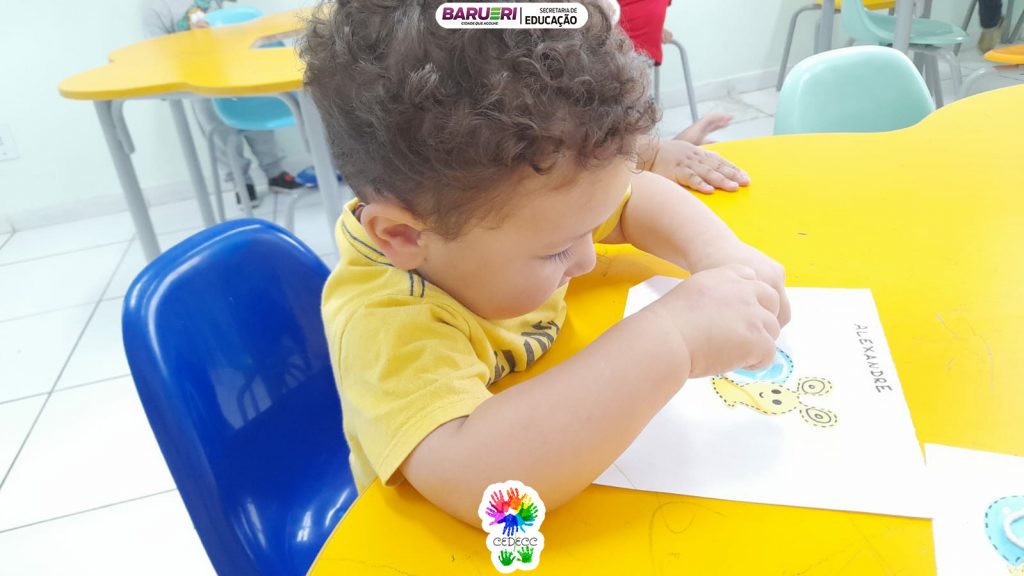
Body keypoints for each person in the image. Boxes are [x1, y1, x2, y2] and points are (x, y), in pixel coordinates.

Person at [301, 0, 789, 525]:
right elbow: (484, 484)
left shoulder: (502, 214)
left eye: (586, 231)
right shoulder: (385, 323)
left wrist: (721, 257)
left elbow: (634, 198)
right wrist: (675, 338)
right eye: (557, 250)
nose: (587, 259)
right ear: (402, 235)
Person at [140, 0, 304, 207]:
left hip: (234, 66)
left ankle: (275, 172)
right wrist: (188, 39)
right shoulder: (154, 7)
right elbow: (157, 50)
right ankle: (240, 183)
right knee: (219, 133)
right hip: (197, 79)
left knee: (259, 123)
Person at [615, 0, 749, 192]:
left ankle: (667, 150)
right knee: (618, 131)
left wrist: (657, 29)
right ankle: (667, 149)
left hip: (625, 55)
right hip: (614, 56)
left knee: (625, 131)